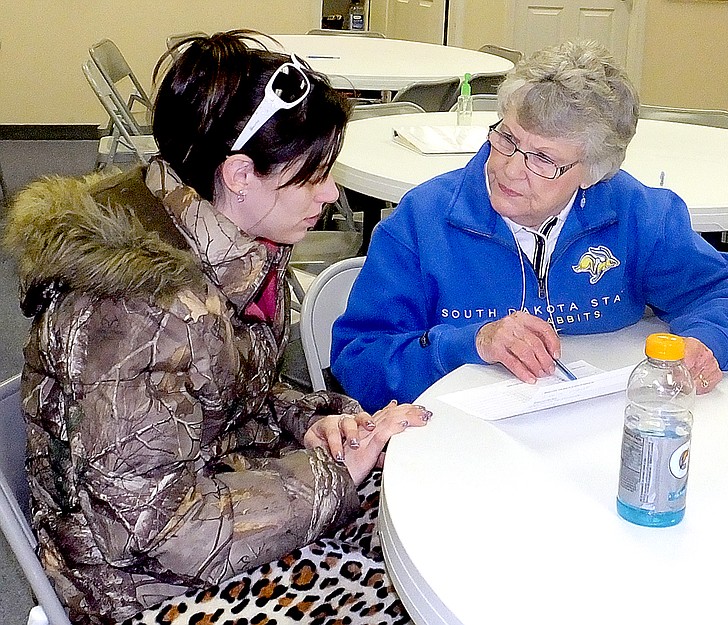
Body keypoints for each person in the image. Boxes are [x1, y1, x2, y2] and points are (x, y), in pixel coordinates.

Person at [3, 31, 430, 625]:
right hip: (140, 589)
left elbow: (228, 394)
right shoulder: (133, 316)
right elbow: (161, 528)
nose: (332, 194)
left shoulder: (231, 242)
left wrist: (313, 424)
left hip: (203, 501)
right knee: (407, 589)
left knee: (416, 521)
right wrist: (335, 478)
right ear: (238, 174)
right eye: (311, 177)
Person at [330, 40, 728, 413]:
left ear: (592, 172)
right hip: (455, 445)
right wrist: (470, 342)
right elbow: (359, 361)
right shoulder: (423, 220)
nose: (508, 169)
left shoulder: (633, 213)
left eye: (543, 159)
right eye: (506, 138)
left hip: (591, 435)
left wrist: (708, 341)